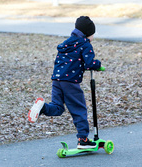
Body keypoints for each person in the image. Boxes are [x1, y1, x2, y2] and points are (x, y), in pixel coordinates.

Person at [28, 16, 103, 149]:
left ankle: (42, 107)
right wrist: (98, 65)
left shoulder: (66, 43)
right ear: (87, 34)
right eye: (92, 35)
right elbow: (90, 63)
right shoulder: (85, 44)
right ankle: (83, 140)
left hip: (56, 80)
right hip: (70, 82)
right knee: (79, 109)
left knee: (58, 108)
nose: (92, 38)